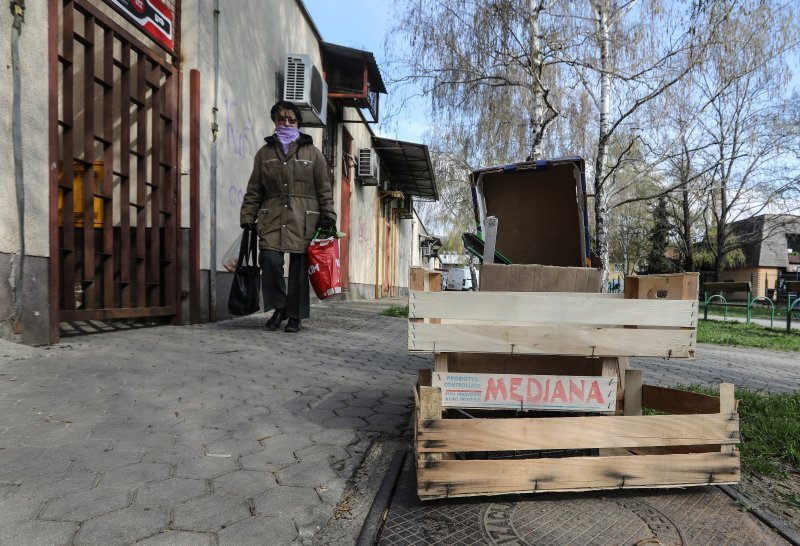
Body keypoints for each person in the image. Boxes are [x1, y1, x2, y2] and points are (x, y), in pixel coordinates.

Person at [240, 101, 336, 333]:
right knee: (269, 260)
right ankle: (279, 307)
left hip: (304, 218)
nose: (286, 123)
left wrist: (328, 215)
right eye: (281, 119)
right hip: (272, 216)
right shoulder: (264, 154)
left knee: (298, 270)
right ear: (274, 121)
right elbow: (255, 189)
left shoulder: (312, 153)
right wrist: (247, 216)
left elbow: (324, 187)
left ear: (298, 123)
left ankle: (295, 316)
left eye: (291, 120)